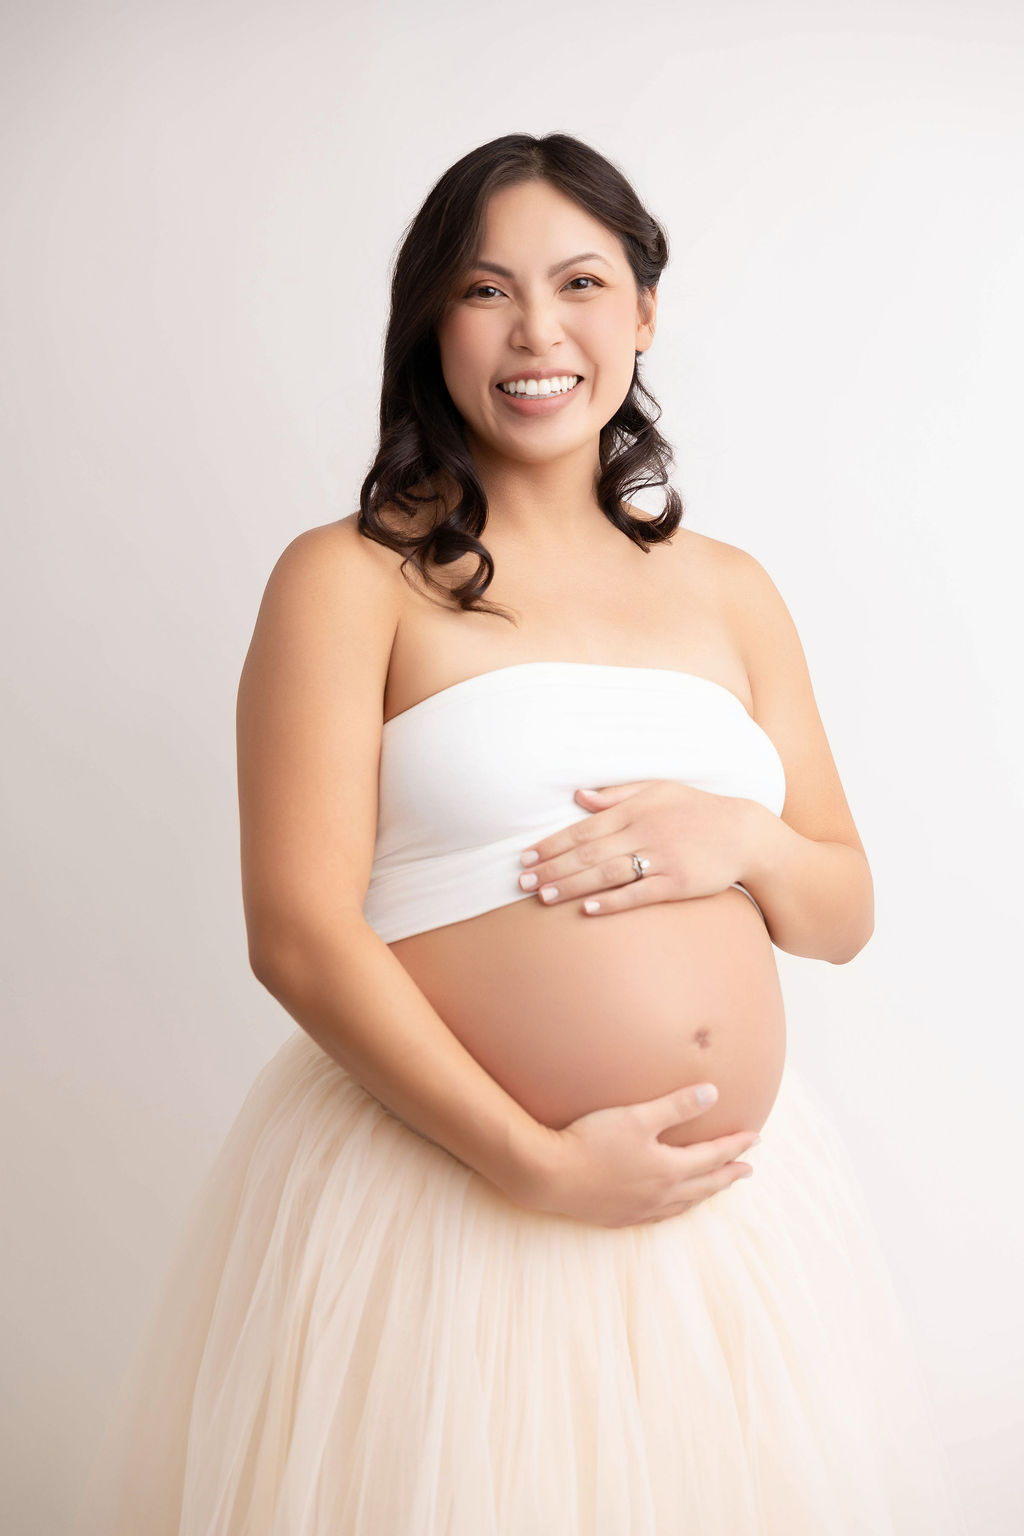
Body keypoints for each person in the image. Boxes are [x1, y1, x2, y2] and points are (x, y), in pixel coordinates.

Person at [77, 132, 967, 1534]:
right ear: (432, 321)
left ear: (644, 312)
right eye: (487, 291)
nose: (539, 332)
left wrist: (742, 838)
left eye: (582, 283)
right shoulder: (351, 576)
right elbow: (297, 936)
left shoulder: (733, 591)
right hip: (454, 1208)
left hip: (723, 1228)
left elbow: (841, 910)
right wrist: (533, 1162)